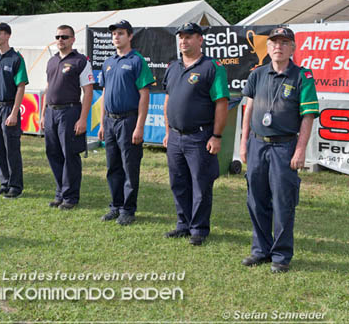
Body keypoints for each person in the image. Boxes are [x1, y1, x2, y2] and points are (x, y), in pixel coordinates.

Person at [239, 27, 319, 273]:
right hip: (257, 144)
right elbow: (248, 110)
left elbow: (308, 117)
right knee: (256, 199)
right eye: (274, 42)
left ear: (292, 48)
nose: (278, 47)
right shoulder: (257, 73)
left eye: (285, 42)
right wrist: (243, 143)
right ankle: (260, 250)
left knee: (283, 202)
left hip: (284, 146)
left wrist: (300, 149)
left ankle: (281, 255)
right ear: (269, 46)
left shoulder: (302, 76)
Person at [162, 23, 229, 246]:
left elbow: (221, 103)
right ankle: (183, 224)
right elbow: (168, 99)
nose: (183, 41)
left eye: (189, 37)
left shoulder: (212, 67)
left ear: (200, 40)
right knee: (178, 182)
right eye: (181, 37)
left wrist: (217, 136)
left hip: (200, 137)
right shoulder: (173, 67)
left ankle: (199, 229)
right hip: (175, 137)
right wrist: (167, 131)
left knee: (201, 184)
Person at [97, 20, 154, 225]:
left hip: (129, 121)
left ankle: (128, 210)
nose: (116, 37)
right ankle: (115, 206)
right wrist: (102, 124)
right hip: (110, 121)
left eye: (120, 33)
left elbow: (144, 95)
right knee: (113, 167)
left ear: (130, 36)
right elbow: (104, 93)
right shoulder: (108, 62)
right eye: (114, 34)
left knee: (130, 167)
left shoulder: (137, 61)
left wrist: (139, 126)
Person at [40, 25, 94, 210]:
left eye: (64, 37)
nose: (60, 40)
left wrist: (82, 119)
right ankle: (60, 193)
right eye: (58, 36)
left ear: (72, 39)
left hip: (69, 112)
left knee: (70, 155)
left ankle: (70, 197)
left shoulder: (80, 61)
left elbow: (88, 92)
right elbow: (48, 88)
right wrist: (42, 113)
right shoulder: (51, 61)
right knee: (53, 153)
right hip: (51, 112)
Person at [0, 22, 28, 199]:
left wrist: (14, 113)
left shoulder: (16, 58)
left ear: (8, 35)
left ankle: (15, 186)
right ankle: (5, 183)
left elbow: (21, 86)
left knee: (12, 149)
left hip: (9, 107)